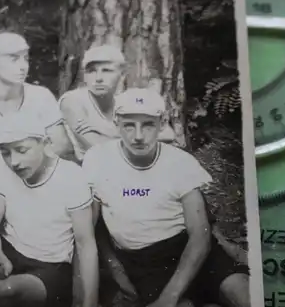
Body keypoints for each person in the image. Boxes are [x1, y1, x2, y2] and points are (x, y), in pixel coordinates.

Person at [82, 88, 250, 307]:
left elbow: (200, 236)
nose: (139, 136)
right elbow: (92, 229)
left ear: (161, 124)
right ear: (117, 124)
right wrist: (116, 269)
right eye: (129, 125)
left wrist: (168, 298)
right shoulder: (97, 159)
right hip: (145, 261)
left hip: (189, 248)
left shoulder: (180, 162)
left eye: (148, 125)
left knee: (243, 293)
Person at [0, 112, 99, 307]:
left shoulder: (72, 177)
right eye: (6, 152)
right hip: (9, 250)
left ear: (45, 144)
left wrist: (89, 303)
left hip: (50, 266)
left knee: (5, 290)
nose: (14, 161)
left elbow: (85, 245)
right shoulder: (2, 169)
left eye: (22, 150)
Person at [0, 31, 75, 162]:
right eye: (14, 59)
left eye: (25, 59)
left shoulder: (41, 95)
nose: (23, 66)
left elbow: (62, 146)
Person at [59, 44, 175, 164]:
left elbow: (168, 135)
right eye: (91, 71)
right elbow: (97, 148)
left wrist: (105, 131)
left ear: (123, 74)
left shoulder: (123, 101)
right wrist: (135, 137)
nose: (98, 78)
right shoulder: (73, 101)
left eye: (107, 71)